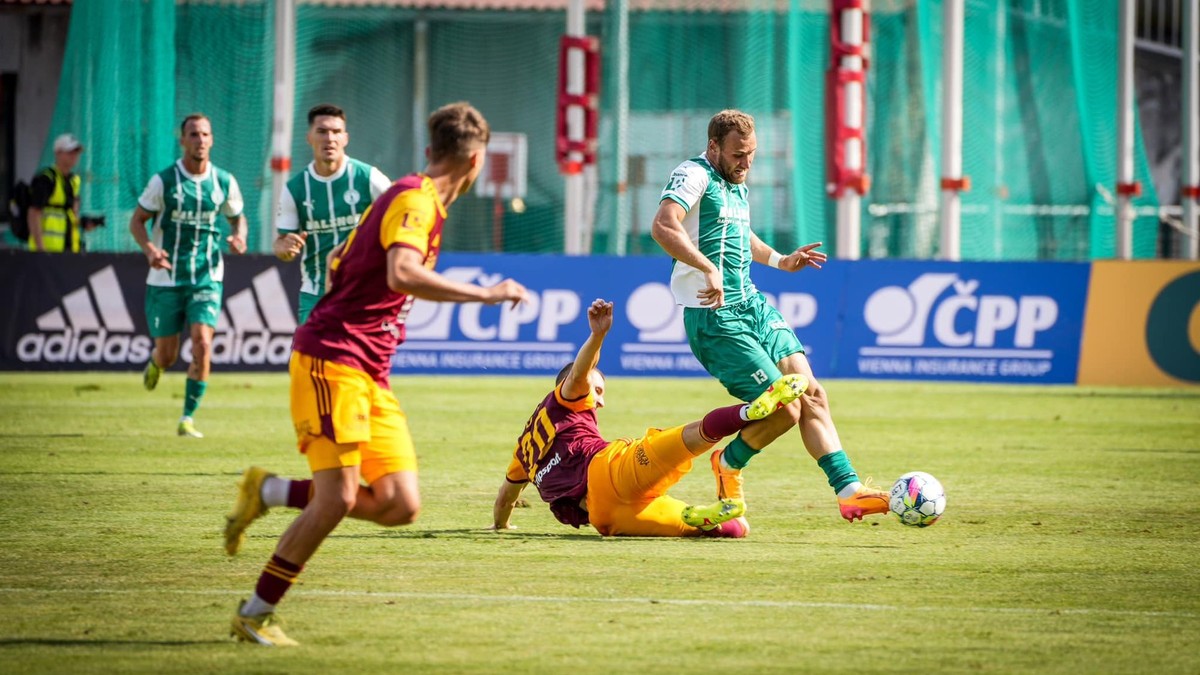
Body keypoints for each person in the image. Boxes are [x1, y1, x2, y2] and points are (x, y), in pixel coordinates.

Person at [223, 102, 529, 647]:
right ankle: (254, 612)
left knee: (400, 505)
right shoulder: (415, 199)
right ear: (477, 160)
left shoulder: (401, 195)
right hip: (332, 359)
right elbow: (402, 271)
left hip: (368, 370)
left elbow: (343, 254)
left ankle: (267, 490)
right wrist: (486, 293)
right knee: (337, 499)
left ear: (432, 151)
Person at [650, 109, 889, 523]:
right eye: (739, 154)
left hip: (752, 304)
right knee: (785, 408)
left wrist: (780, 260)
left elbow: (740, 234)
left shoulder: (735, 184)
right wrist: (709, 269)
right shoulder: (694, 175)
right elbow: (663, 226)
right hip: (715, 317)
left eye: (752, 154)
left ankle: (850, 492)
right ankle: (728, 462)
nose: (746, 163)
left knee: (812, 392)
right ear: (713, 147)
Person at [492, 299, 807, 538]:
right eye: (597, 390)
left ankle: (709, 516)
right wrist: (598, 336)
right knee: (688, 437)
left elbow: (505, 498)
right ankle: (749, 411)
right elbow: (580, 373)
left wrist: (501, 526)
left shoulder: (524, 452)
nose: (599, 400)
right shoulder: (568, 397)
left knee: (736, 528)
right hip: (609, 471)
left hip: (607, 518)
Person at [129, 114, 248, 438]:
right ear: (182, 140)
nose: (200, 140)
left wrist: (240, 237)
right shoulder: (164, 181)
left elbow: (238, 219)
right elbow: (137, 221)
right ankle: (156, 363)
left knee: (202, 343)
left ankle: (187, 418)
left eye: (205, 134)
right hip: (166, 280)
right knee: (167, 355)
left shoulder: (224, 181)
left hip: (207, 276)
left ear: (212, 139)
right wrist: (151, 250)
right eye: (193, 134)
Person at [274, 103, 392, 323]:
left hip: (363, 290)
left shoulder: (369, 178)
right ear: (309, 137)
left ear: (345, 138)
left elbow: (400, 212)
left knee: (360, 358)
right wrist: (285, 248)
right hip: (316, 292)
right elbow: (281, 246)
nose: (330, 138)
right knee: (310, 357)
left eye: (336, 132)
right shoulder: (295, 188)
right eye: (322, 131)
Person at [27, 133, 83, 253]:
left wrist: (85, 223)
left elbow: (72, 215)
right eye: (70, 152)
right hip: (48, 250)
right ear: (58, 153)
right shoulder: (47, 178)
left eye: (76, 152)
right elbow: (34, 213)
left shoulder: (75, 181)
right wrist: (40, 248)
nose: (74, 156)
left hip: (70, 250)